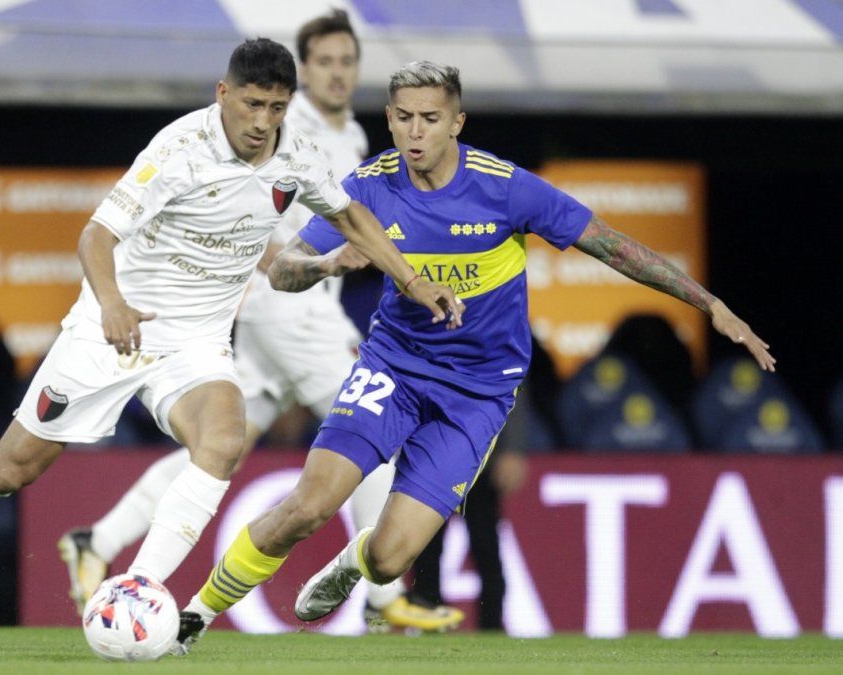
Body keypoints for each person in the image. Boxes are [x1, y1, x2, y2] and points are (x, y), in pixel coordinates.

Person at [169, 60, 776, 654]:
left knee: (391, 558)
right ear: (388, 118)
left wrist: (708, 302)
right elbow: (281, 271)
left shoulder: (505, 188)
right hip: (392, 370)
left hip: (477, 394)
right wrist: (327, 264)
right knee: (308, 505)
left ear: (457, 122)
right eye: (403, 118)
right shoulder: (368, 187)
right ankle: (193, 616)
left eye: (430, 119)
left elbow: (610, 245)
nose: (414, 132)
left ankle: (355, 562)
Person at [0, 38, 461, 628]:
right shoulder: (179, 149)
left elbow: (350, 215)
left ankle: (138, 592)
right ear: (223, 94)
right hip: (118, 324)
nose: (262, 122)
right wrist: (113, 305)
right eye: (251, 104)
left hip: (198, 340)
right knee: (12, 468)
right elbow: (95, 237)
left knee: (223, 441)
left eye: (276, 107)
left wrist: (411, 280)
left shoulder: (296, 156)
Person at [57, 11, 462, 634]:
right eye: (324, 63)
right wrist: (319, 263)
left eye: (346, 62)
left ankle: (97, 537)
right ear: (300, 78)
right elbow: (257, 219)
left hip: (293, 314)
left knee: (221, 445)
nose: (337, 73)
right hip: (287, 310)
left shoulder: (349, 133)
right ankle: (382, 601)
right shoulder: (278, 125)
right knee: (375, 431)